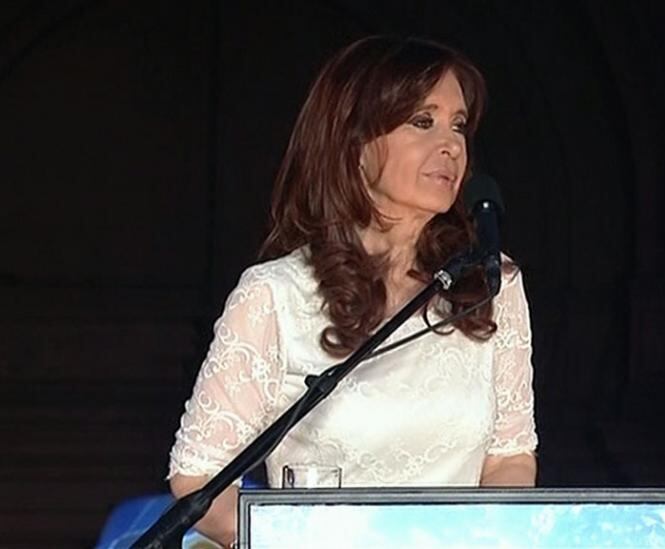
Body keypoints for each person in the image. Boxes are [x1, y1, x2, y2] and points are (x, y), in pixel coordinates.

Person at [166, 35, 538, 546]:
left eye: (458, 125)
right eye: (422, 122)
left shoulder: (492, 285)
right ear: (354, 142)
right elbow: (199, 476)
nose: (451, 145)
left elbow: (510, 457)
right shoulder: (276, 295)